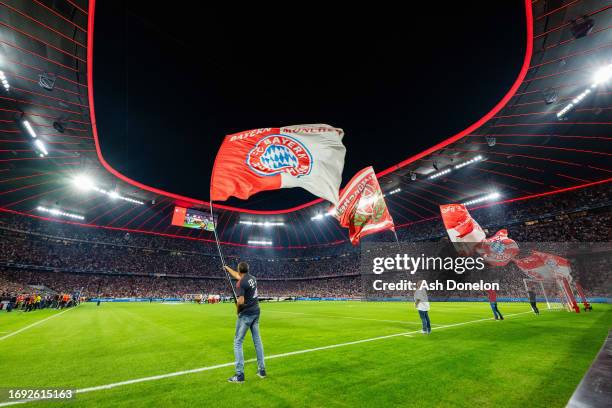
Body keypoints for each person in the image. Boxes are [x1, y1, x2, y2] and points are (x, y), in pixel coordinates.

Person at [224, 262, 266, 383]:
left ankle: (240, 375)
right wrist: (227, 269)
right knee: (257, 341)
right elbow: (238, 276)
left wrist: (237, 311)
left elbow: (240, 301)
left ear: (239, 270)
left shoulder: (241, 283)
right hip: (256, 312)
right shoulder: (252, 278)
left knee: (237, 342)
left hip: (246, 314)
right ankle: (262, 371)